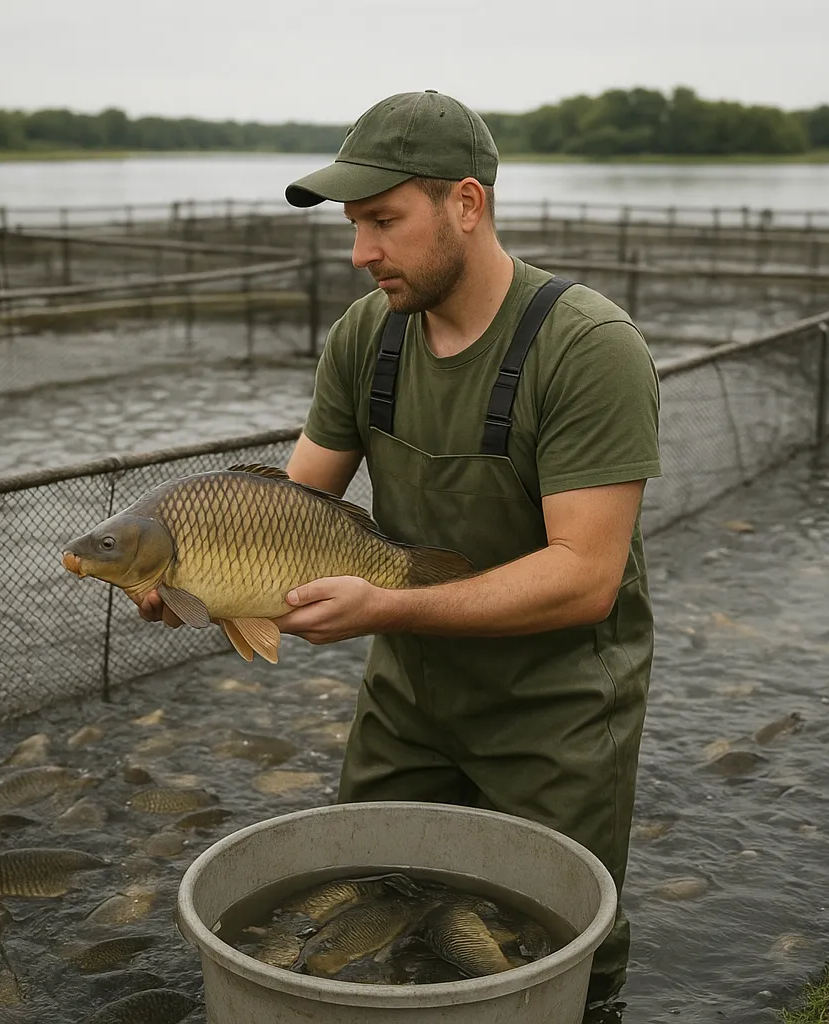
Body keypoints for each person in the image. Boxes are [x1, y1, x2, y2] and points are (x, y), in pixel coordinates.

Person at [135, 89, 661, 1011]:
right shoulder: (366, 337)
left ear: (467, 204)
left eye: (384, 220)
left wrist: (387, 606)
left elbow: (585, 578)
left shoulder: (586, 348)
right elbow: (293, 509)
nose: (360, 252)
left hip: (557, 708)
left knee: (556, 939)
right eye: (353, 224)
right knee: (372, 905)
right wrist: (186, 576)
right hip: (410, 695)